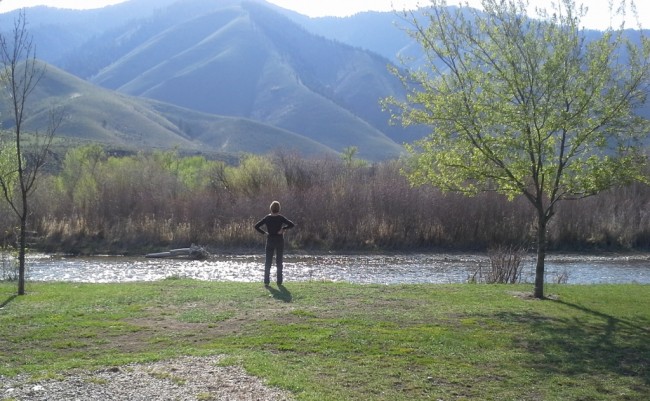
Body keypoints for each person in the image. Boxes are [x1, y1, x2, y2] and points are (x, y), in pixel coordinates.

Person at [254, 201, 295, 286]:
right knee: (279, 261)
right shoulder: (281, 218)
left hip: (270, 240)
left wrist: (264, 233)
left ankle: (266, 281)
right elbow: (291, 224)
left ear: (271, 208)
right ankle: (279, 281)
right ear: (279, 209)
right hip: (279, 240)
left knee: (268, 261)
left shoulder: (267, 218)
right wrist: (283, 229)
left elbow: (256, 226)